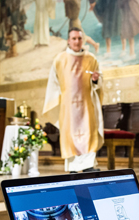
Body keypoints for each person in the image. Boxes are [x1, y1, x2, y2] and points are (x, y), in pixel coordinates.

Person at [43, 28, 104, 173]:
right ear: (69, 41)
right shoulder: (60, 59)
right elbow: (53, 82)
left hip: (86, 105)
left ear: (83, 40)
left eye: (79, 38)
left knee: (88, 133)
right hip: (68, 106)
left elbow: (98, 81)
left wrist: (95, 80)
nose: (77, 41)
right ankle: (73, 168)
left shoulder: (91, 59)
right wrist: (57, 99)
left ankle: (88, 166)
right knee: (71, 136)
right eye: (74, 38)